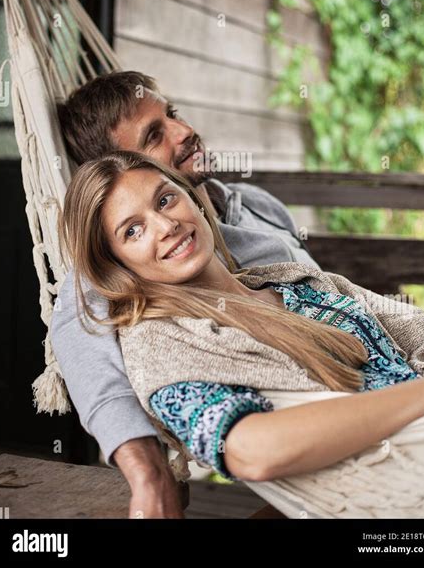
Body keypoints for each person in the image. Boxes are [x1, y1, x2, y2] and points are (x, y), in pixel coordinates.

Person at [59, 151, 424, 519]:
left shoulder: (294, 280)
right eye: (133, 231)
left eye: (165, 200)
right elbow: (252, 453)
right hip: (411, 482)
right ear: (116, 266)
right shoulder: (165, 342)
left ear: (193, 199)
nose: (166, 226)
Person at [52, 69, 319, 518]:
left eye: (172, 114)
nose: (185, 131)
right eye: (155, 134)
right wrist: (148, 472)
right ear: (124, 173)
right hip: (293, 429)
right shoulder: (142, 254)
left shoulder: (252, 205)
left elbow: (335, 297)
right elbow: (79, 328)